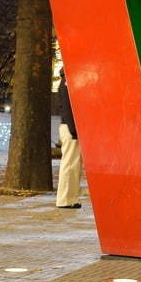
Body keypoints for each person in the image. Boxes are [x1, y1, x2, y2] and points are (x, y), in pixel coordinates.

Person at [55, 72, 82, 209]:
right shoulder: (67, 82)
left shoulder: (66, 81)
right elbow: (67, 109)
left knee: (73, 165)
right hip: (70, 128)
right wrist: (73, 130)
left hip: (70, 127)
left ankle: (71, 198)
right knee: (70, 164)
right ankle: (65, 199)